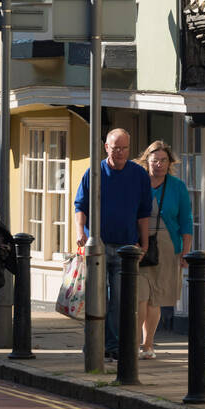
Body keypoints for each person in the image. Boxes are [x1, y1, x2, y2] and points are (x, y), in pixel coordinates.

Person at [74, 127, 152, 360]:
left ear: (129, 148)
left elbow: (144, 213)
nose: (119, 152)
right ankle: (94, 345)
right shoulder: (94, 173)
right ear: (106, 147)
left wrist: (144, 244)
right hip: (97, 246)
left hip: (126, 248)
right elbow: (80, 206)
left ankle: (113, 345)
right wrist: (80, 231)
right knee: (97, 299)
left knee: (119, 299)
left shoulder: (138, 175)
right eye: (115, 148)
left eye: (124, 148)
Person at [135, 141, 193, 358]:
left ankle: (147, 345)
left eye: (163, 160)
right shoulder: (138, 182)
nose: (159, 164)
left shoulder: (177, 186)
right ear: (146, 161)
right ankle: (132, 345)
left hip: (168, 245)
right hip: (139, 244)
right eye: (154, 160)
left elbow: (186, 220)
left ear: (170, 163)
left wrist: (186, 251)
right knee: (139, 296)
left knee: (155, 299)